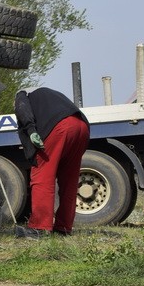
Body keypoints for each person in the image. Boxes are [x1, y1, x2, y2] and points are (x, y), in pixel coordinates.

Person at [13, 87, 91, 238]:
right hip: (82, 127)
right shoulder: (52, 93)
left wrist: (31, 130)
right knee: (69, 181)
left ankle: (39, 227)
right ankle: (64, 227)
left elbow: (22, 109)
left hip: (59, 127)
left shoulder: (22, 93)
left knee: (42, 176)